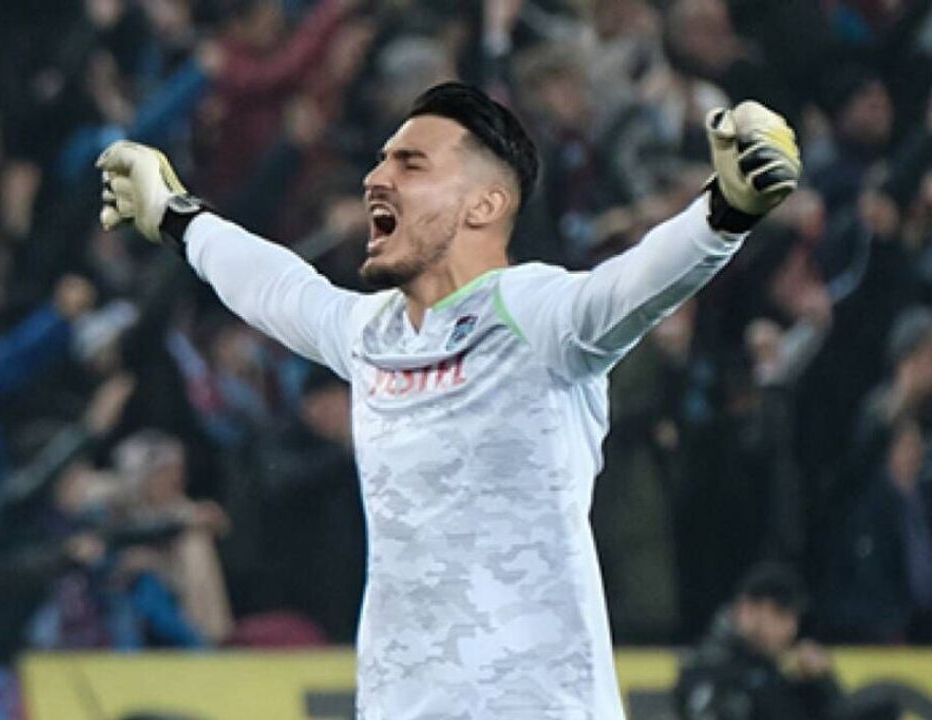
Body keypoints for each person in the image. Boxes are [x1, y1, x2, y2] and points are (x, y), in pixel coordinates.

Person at [96, 81, 800, 718]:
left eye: (411, 164)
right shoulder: (372, 334)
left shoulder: (534, 312)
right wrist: (177, 216)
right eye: (381, 161)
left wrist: (724, 212)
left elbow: (631, 285)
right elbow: (277, 287)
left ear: (484, 204)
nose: (376, 178)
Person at [675, 562, 897, 720]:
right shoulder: (709, 670)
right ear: (747, 609)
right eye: (781, 614)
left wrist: (819, 683)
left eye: (795, 618)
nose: (791, 628)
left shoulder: (774, 675)